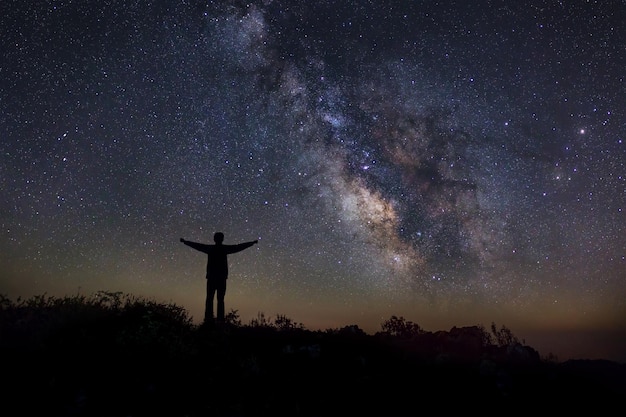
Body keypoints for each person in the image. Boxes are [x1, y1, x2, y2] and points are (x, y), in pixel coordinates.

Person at [180, 232, 258, 324]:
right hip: (220, 278)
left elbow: (198, 246)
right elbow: (237, 247)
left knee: (211, 299)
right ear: (222, 239)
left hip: (213, 277)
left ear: (215, 239)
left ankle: (210, 319)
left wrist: (186, 242)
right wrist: (251, 243)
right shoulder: (222, 249)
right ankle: (217, 320)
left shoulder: (212, 248)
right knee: (218, 299)